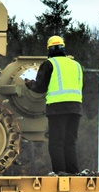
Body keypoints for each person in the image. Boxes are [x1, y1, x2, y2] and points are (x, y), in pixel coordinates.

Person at [24, 36, 84, 174]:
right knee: (70, 141)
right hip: (75, 107)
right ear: (63, 48)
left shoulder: (49, 64)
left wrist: (29, 84)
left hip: (57, 107)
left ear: (49, 49)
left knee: (56, 142)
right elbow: (82, 86)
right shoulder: (76, 65)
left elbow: (40, 87)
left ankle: (60, 172)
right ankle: (73, 172)